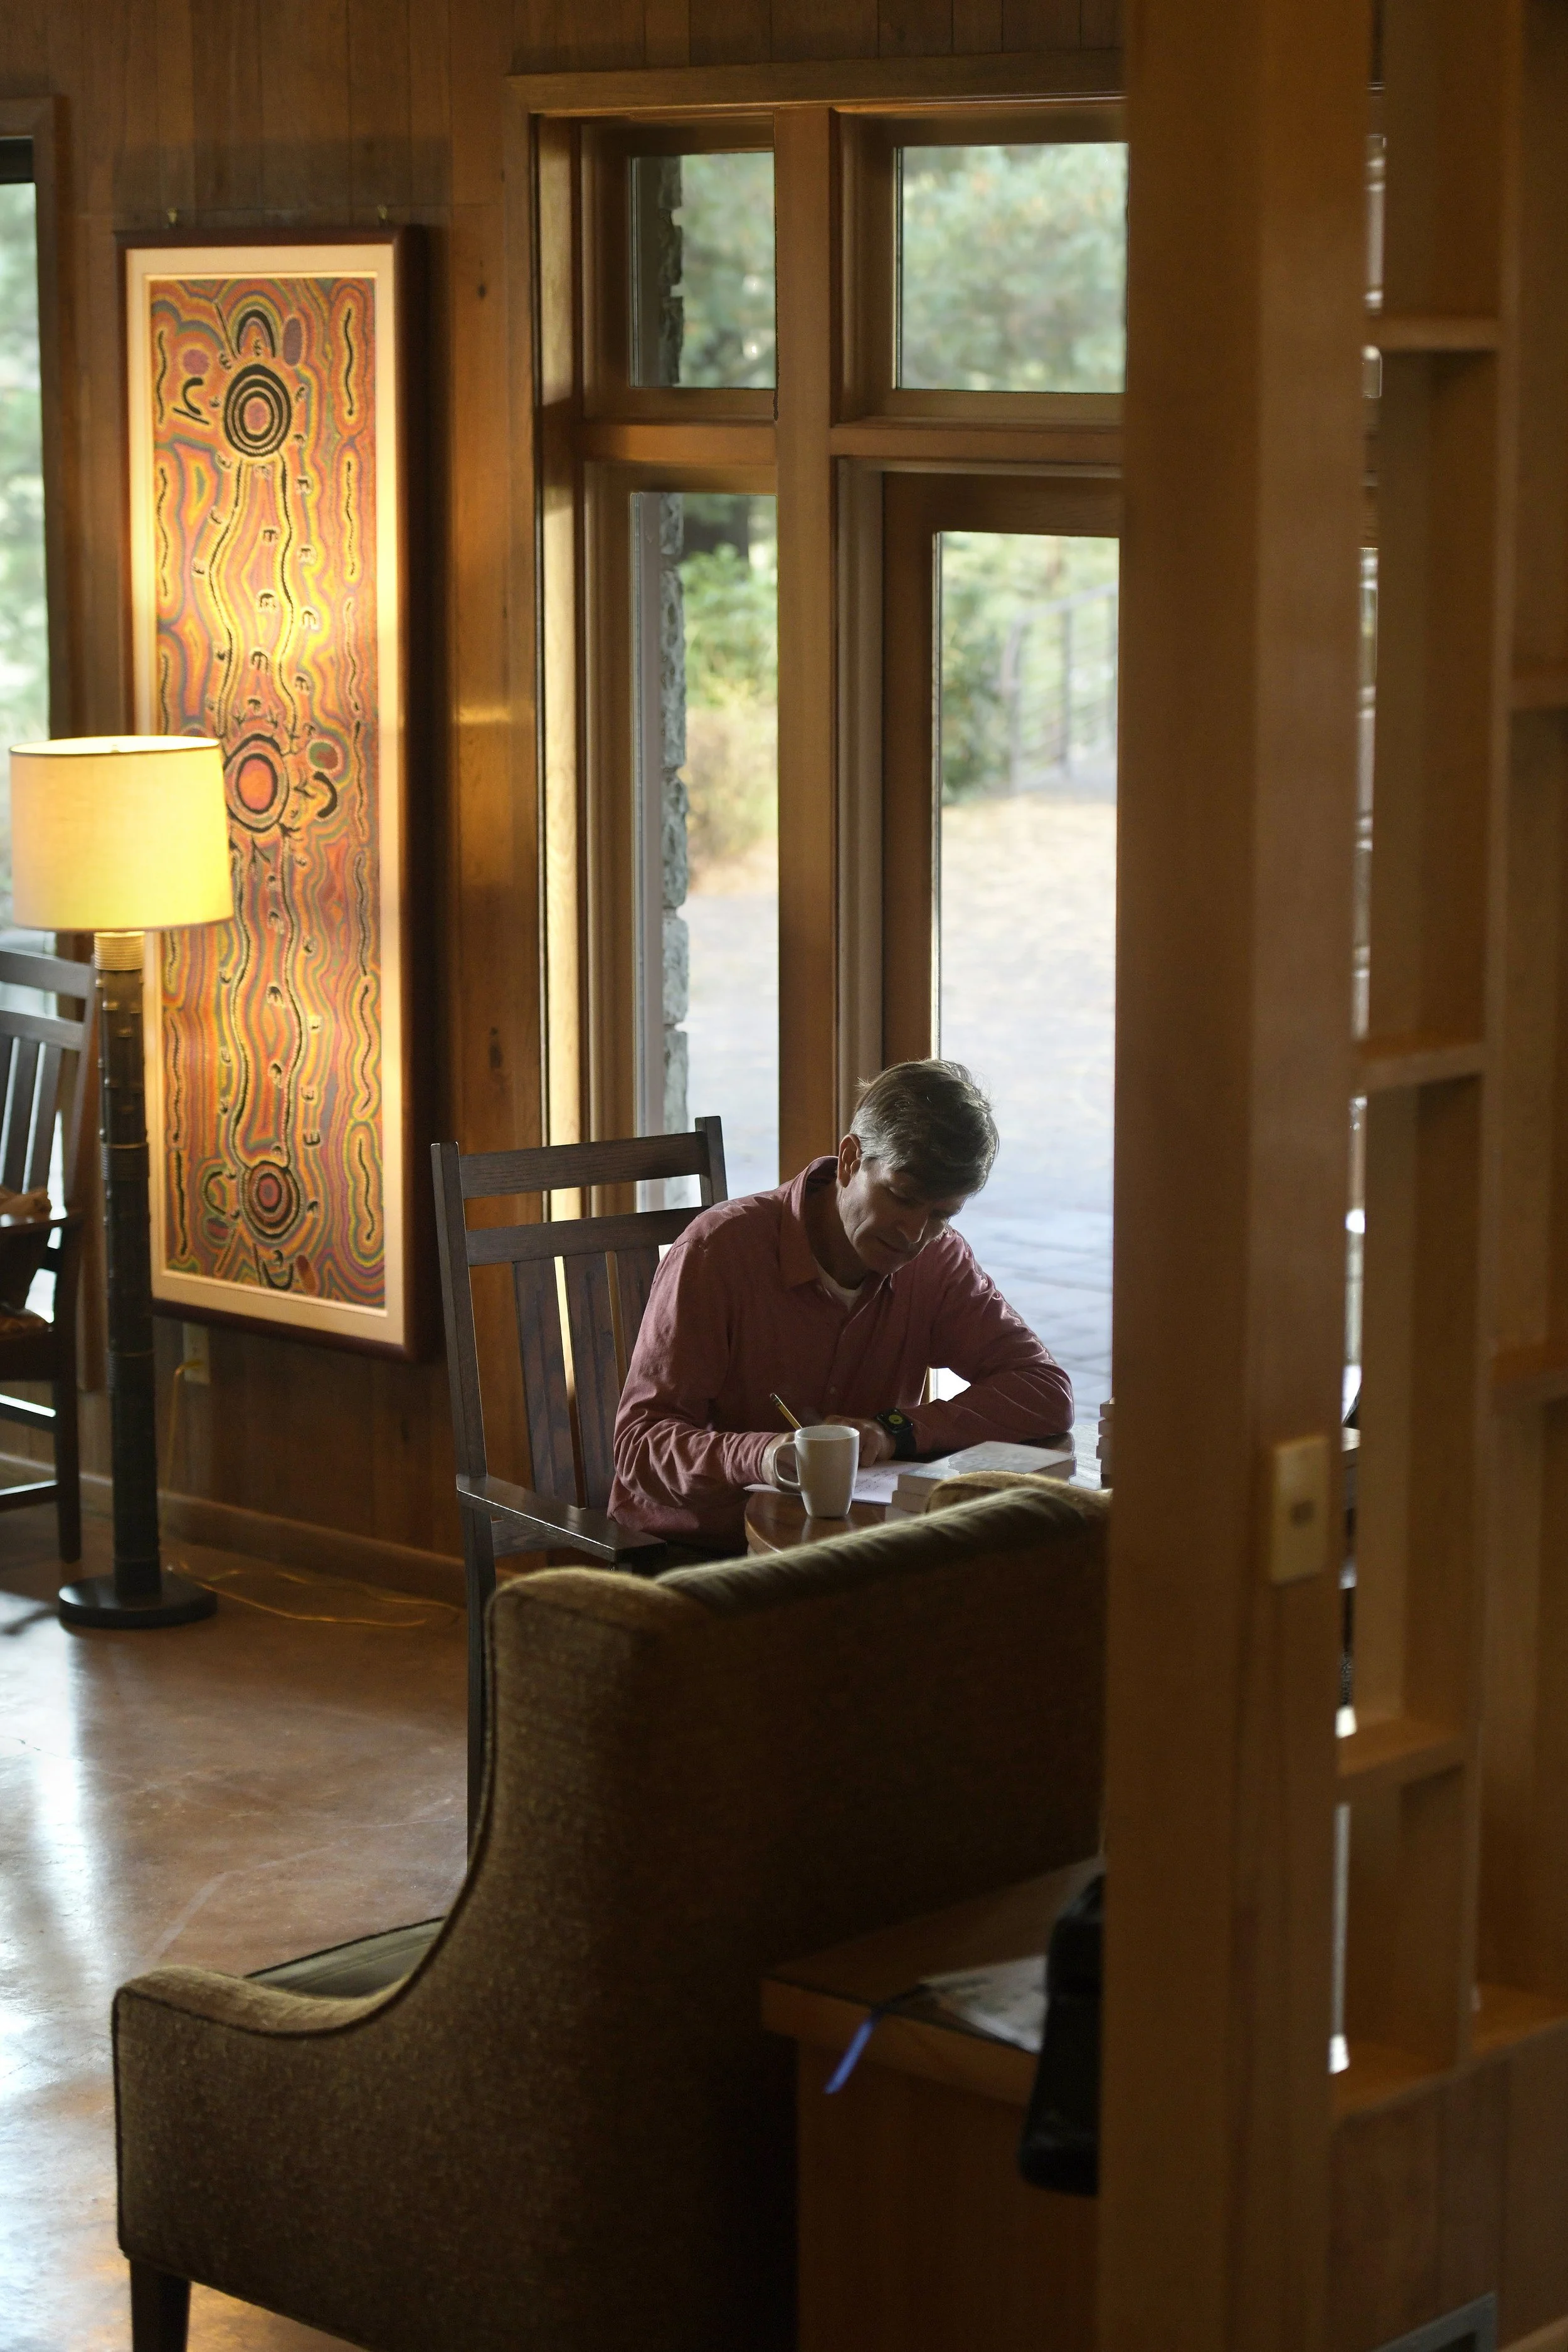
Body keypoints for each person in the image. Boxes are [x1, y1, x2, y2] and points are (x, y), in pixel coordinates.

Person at [609, 1059, 1074, 1547]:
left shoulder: (938, 1261)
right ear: (851, 1159)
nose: (914, 1234)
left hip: (849, 1545)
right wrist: (762, 1457)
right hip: (694, 1553)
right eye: (902, 1197)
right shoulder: (718, 1252)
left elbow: (1043, 1389)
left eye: (942, 1215)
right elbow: (641, 1446)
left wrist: (895, 1430)